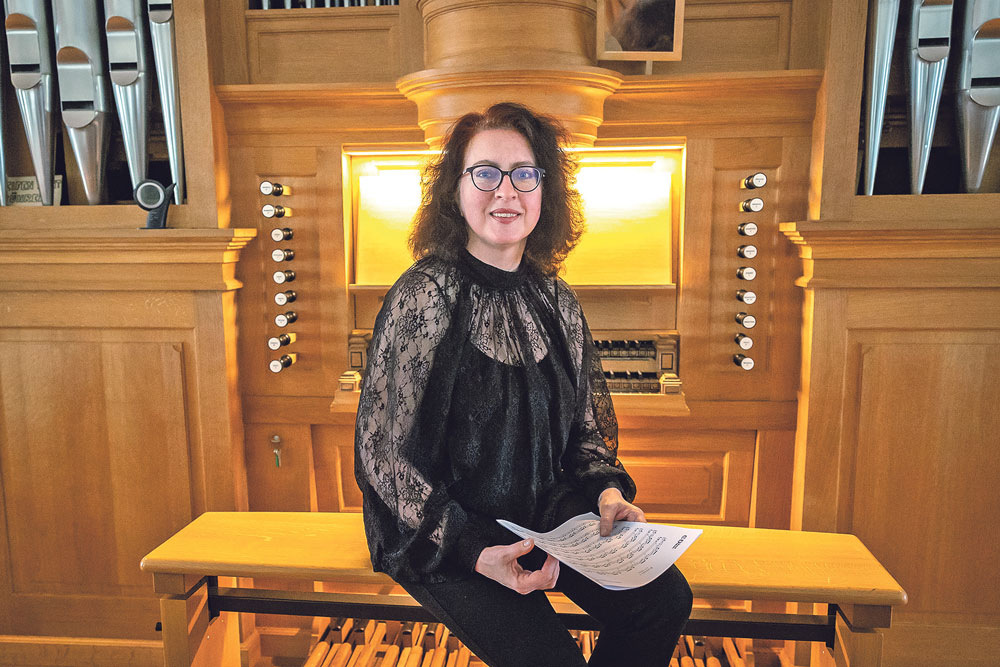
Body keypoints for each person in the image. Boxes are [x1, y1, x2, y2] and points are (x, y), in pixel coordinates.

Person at [354, 102, 692, 666]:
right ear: (456, 189)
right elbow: (383, 458)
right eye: (485, 173)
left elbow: (586, 436)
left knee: (663, 602)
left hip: (542, 513)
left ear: (544, 191)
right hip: (446, 527)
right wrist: (473, 548)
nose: (505, 192)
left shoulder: (555, 299)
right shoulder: (425, 296)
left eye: (524, 175)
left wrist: (607, 493)